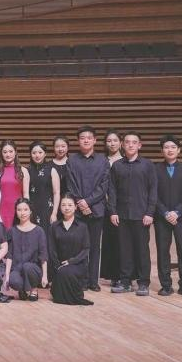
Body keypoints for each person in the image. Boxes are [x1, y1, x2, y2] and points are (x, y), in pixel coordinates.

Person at [107, 131, 157, 296]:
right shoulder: (117, 166)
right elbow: (112, 190)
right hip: (121, 215)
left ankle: (143, 283)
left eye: (134, 142)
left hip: (141, 215)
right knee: (124, 250)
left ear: (139, 145)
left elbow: (153, 190)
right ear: (122, 145)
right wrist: (112, 211)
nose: (130, 145)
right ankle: (125, 282)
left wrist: (150, 212)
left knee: (142, 250)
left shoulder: (147, 165)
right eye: (127, 142)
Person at [66, 125, 110, 291]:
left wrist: (88, 202)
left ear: (95, 140)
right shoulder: (72, 160)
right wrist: (80, 202)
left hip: (96, 210)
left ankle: (93, 281)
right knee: (78, 247)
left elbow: (104, 185)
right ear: (78, 141)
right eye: (82, 138)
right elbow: (70, 184)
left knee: (94, 247)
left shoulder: (103, 160)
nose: (86, 140)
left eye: (89, 138)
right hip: (77, 211)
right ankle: (81, 280)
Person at [154, 135, 182, 297]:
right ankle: (166, 285)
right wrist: (165, 212)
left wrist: (177, 212)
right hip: (162, 218)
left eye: (173, 147)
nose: (169, 150)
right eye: (166, 147)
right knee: (163, 251)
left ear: (179, 150)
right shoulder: (155, 169)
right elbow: (153, 194)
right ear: (162, 151)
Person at [48, 194, 93, 305]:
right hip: (59, 265)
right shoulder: (54, 226)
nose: (66, 208)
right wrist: (57, 265)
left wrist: (71, 261)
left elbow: (86, 249)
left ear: (75, 207)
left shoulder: (82, 226)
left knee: (66, 272)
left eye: (70, 205)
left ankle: (73, 296)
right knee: (63, 271)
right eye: (63, 205)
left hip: (77, 264)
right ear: (60, 207)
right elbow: (52, 249)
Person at [5, 198, 48, 301]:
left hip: (33, 269)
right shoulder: (12, 231)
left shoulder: (39, 231)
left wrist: (45, 276)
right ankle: (22, 289)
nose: (22, 213)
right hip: (17, 269)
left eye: (25, 209)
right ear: (16, 212)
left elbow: (43, 255)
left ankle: (33, 289)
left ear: (30, 211)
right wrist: (7, 276)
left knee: (27, 267)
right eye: (19, 210)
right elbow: (9, 255)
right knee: (13, 280)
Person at [101, 129, 124, 288]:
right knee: (109, 241)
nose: (112, 143)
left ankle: (123, 274)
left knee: (121, 241)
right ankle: (112, 274)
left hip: (120, 207)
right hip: (103, 206)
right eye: (109, 141)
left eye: (115, 140)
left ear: (120, 143)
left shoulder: (125, 161)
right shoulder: (101, 161)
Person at [26, 141, 60, 231]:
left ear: (45, 154)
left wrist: (54, 213)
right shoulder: (27, 171)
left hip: (47, 209)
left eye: (40, 152)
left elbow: (56, 193)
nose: (37, 155)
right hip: (32, 209)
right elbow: (25, 194)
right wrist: (27, 211)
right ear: (30, 154)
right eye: (34, 153)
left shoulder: (52, 170)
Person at [0, 140, 25, 227]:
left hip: (18, 209)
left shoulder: (23, 171)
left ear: (15, 152)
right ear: (1, 154)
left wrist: (25, 211)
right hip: (2, 210)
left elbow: (26, 194)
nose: (8, 154)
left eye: (10, 151)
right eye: (5, 152)